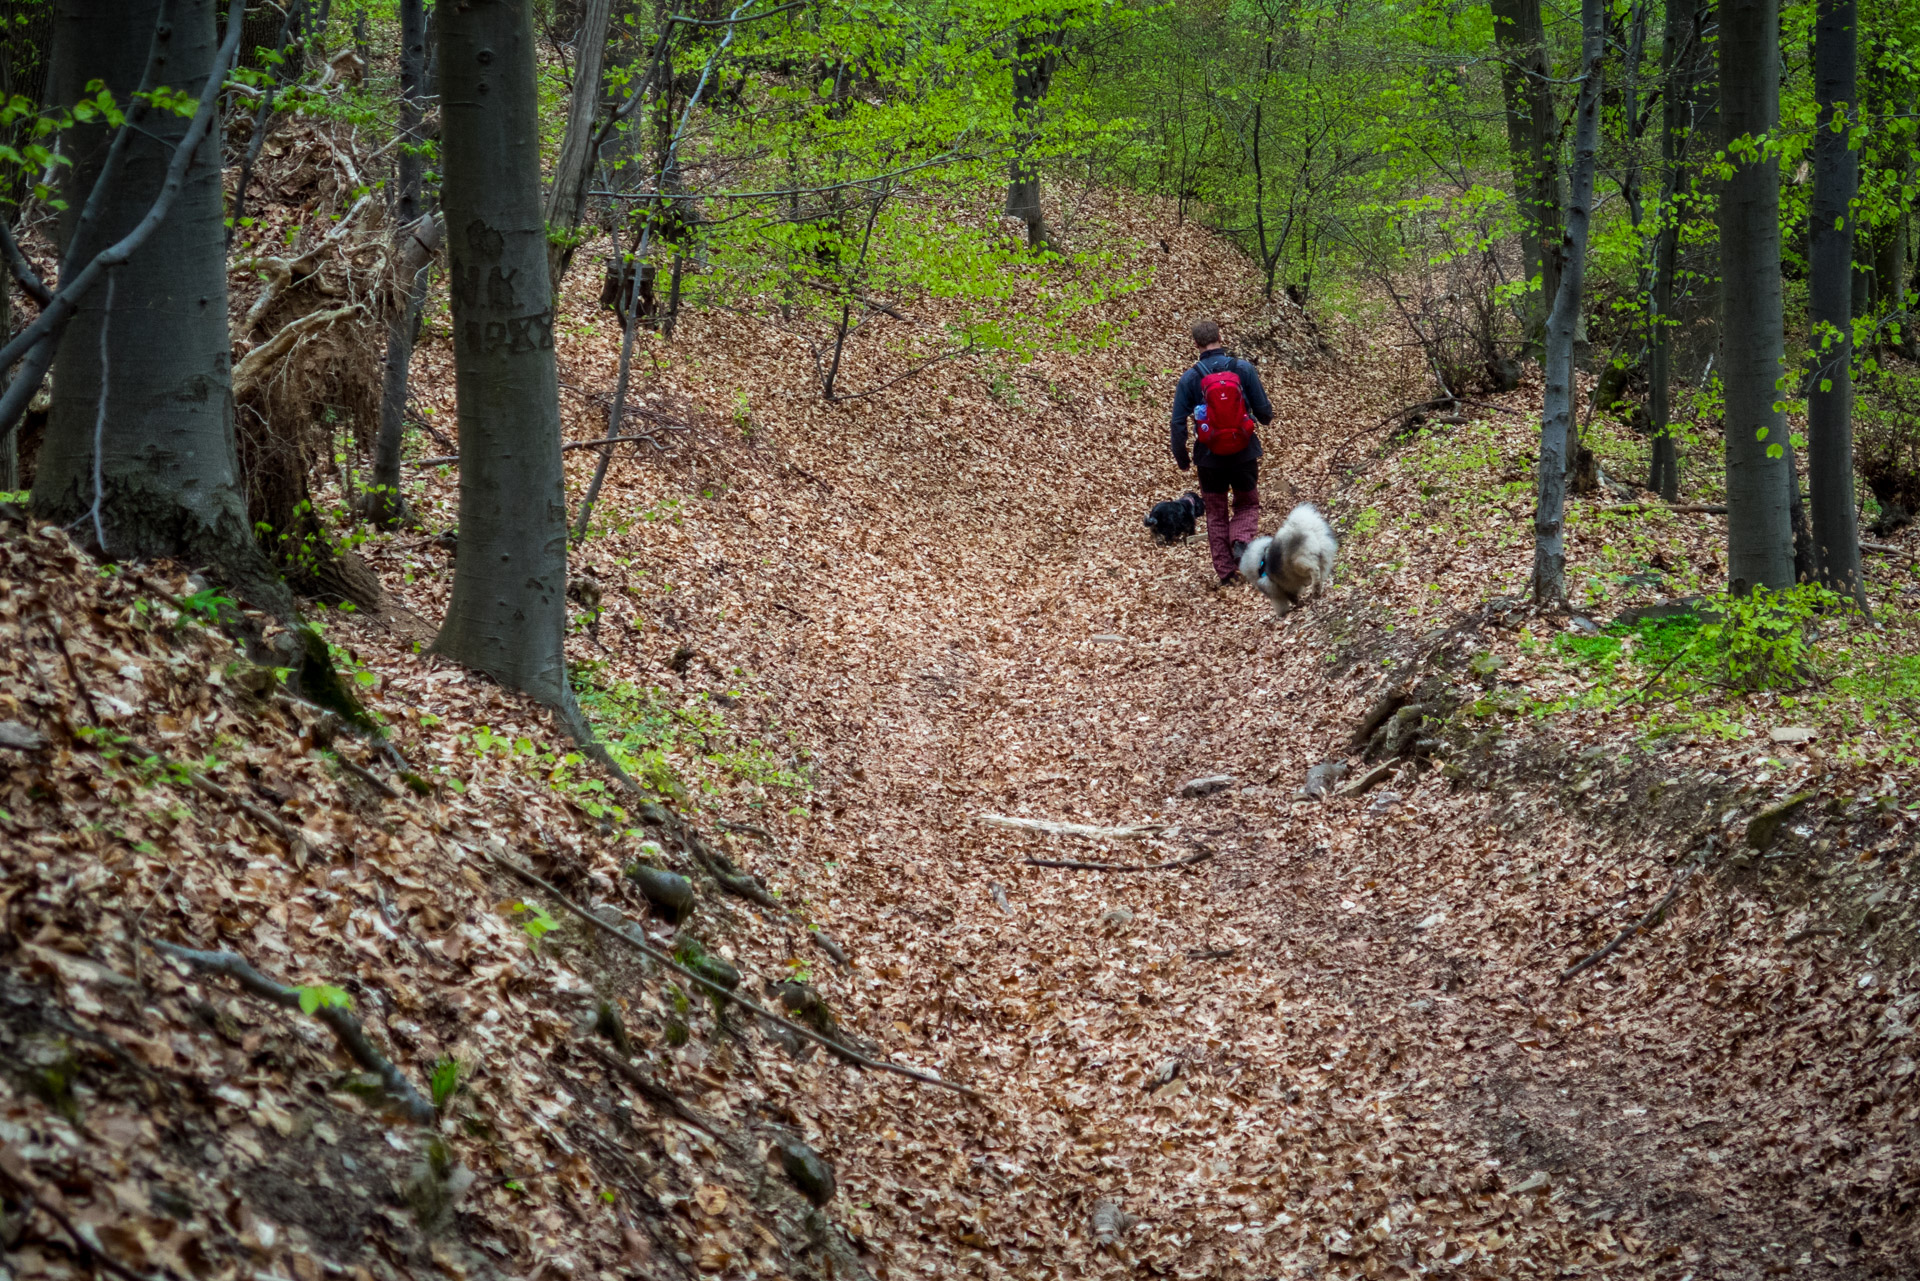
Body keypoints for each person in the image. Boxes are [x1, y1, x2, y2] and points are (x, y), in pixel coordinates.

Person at [1168, 319, 1274, 584]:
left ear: (1196, 344)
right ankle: (1240, 540)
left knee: (1216, 514)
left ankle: (1227, 574)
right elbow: (1264, 412)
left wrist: (1182, 458)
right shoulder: (1243, 368)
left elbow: (1178, 422)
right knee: (1247, 503)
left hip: (1208, 458)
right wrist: (1262, 416)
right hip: (1244, 453)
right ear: (1220, 337)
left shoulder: (1191, 378)